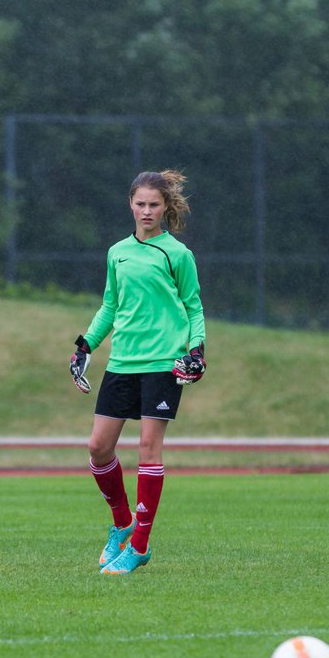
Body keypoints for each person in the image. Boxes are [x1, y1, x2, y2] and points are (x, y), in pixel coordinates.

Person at [68, 170, 207, 575]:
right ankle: (121, 523)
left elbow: (194, 307)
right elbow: (110, 305)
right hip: (122, 362)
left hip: (163, 363)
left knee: (149, 448)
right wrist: (85, 345)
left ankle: (140, 545)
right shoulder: (117, 252)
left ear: (165, 208)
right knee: (98, 447)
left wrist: (196, 350)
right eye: (140, 203)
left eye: (154, 204)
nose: (147, 211)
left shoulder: (177, 254)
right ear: (130, 204)